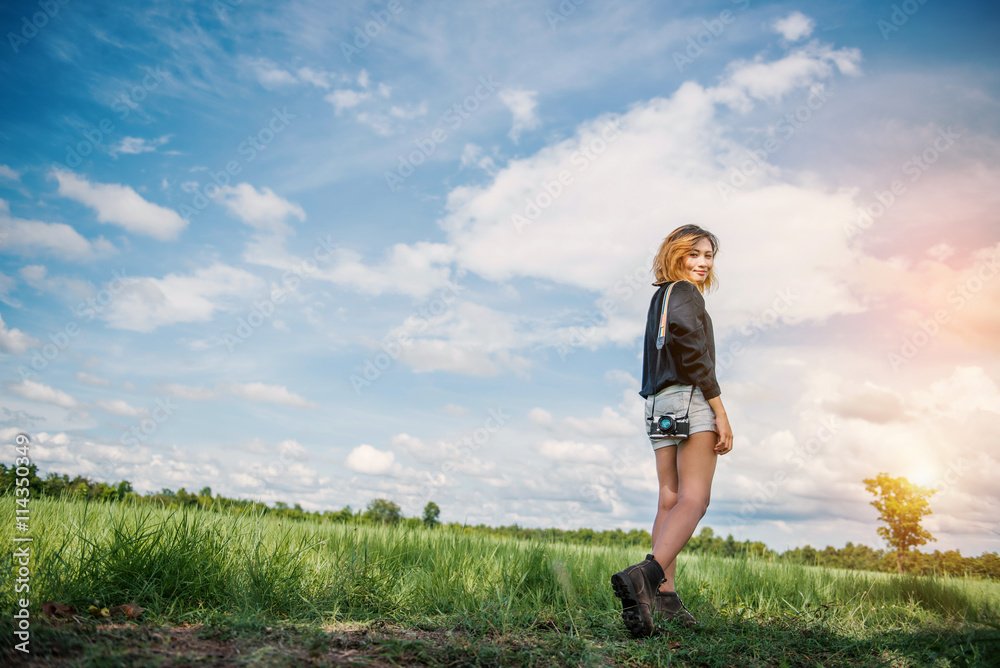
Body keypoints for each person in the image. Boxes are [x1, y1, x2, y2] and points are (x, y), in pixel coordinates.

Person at [610, 224, 734, 638]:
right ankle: (646, 575)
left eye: (708, 256)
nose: (703, 263)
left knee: (670, 498)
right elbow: (693, 352)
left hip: (657, 403)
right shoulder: (685, 293)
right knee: (695, 499)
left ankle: (664, 597)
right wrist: (719, 409)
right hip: (689, 398)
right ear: (675, 255)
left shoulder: (660, 296)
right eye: (693, 254)